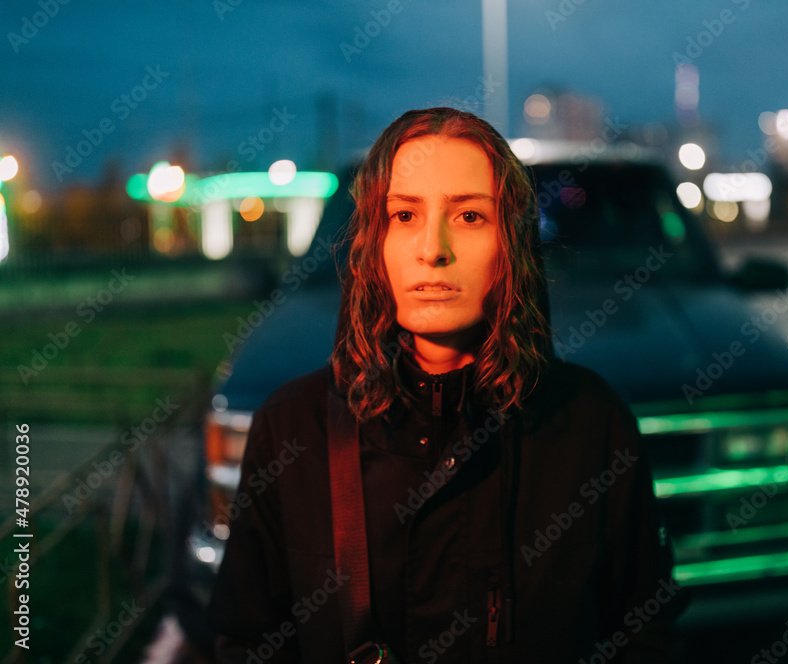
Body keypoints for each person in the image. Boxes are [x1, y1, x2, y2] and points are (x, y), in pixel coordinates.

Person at [207, 106, 689, 663]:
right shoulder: (292, 428)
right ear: (373, 241)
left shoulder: (591, 423)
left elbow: (643, 630)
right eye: (404, 215)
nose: (433, 248)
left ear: (511, 243)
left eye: (469, 216)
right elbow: (246, 639)